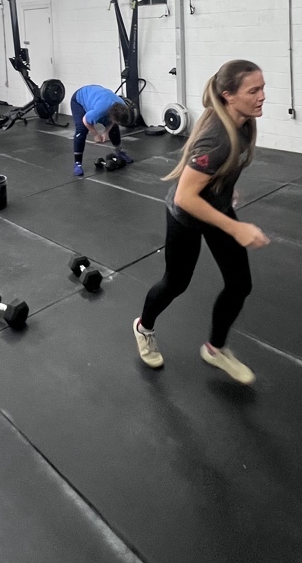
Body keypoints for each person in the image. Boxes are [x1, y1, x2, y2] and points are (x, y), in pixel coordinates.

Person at [133, 59, 270, 384]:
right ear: (228, 95)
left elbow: (224, 168)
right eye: (254, 90)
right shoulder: (217, 136)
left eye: (263, 87)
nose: (263, 96)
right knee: (176, 283)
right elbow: (184, 197)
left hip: (216, 206)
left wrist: (227, 191)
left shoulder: (244, 122)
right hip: (187, 216)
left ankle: (215, 348)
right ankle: (143, 327)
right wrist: (236, 227)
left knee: (240, 284)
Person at [69, 85, 133, 177]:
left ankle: (119, 152)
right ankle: (77, 164)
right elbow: (85, 120)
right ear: (112, 115)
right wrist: (95, 134)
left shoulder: (122, 105)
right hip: (80, 100)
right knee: (81, 129)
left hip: (98, 97)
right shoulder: (100, 110)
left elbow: (113, 122)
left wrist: (106, 132)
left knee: (114, 127)